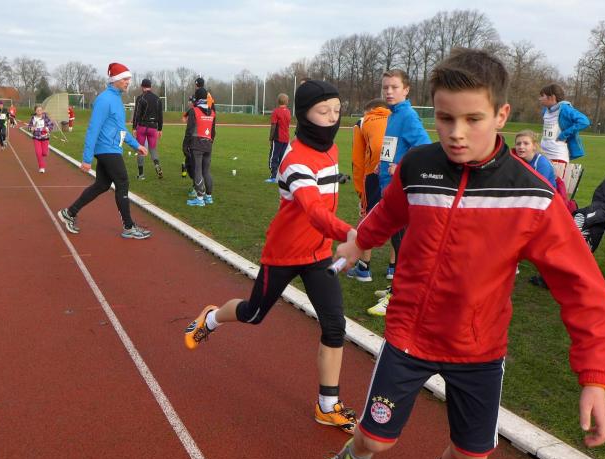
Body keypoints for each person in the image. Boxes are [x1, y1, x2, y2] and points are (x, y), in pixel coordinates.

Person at [315, 49, 605, 459]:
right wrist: (358, 242)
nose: (456, 132)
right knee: (374, 438)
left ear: (501, 115)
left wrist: (595, 376)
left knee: (473, 456)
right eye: (445, 118)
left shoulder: (533, 195)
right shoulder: (418, 165)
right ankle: (351, 458)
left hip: (479, 348)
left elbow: (583, 289)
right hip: (410, 335)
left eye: (473, 119)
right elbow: (389, 211)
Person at [183, 80, 358, 435]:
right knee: (253, 314)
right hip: (284, 254)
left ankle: (327, 405)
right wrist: (351, 233)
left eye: (337, 111)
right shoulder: (294, 161)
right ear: (304, 114)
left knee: (334, 326)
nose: (332, 118)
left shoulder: (332, 149)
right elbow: (313, 211)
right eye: (323, 111)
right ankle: (211, 317)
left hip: (319, 254)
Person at [56, 62, 151, 240]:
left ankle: (69, 212)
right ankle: (129, 227)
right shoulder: (104, 100)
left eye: (129, 79)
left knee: (102, 185)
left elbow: (120, 129)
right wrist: (87, 158)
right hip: (107, 149)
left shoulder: (116, 100)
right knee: (122, 182)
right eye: (125, 79)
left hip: (112, 148)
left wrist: (136, 145)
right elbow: (93, 128)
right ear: (115, 79)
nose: (128, 82)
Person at [368, 69, 431, 316]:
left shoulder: (407, 116)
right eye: (385, 87)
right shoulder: (393, 115)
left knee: (403, 245)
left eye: (394, 87)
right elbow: (394, 147)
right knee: (397, 240)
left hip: (402, 191)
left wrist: (402, 165)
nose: (388, 92)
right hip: (389, 188)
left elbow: (424, 148)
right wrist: (383, 163)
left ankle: (398, 296)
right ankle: (397, 288)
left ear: (406, 90)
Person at [346, 98, 391, 282]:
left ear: (370, 110)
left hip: (373, 174)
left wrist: (360, 191)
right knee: (399, 221)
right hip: (398, 172)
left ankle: (364, 268)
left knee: (367, 219)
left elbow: (357, 160)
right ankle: (393, 268)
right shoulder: (399, 118)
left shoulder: (363, 122)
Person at [537, 83, 589, 186]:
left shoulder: (565, 109)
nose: (540, 99)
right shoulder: (545, 110)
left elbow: (584, 121)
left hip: (557, 155)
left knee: (555, 187)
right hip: (543, 154)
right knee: (542, 186)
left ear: (552, 97)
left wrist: (564, 134)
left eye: (542, 96)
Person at [183, 88, 216, 206]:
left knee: (198, 170)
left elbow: (189, 130)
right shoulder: (212, 112)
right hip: (208, 144)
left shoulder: (194, 111)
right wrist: (210, 142)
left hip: (196, 144)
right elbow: (213, 132)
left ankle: (200, 199)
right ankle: (209, 197)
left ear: (196, 98)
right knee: (206, 171)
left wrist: (185, 144)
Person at [131, 78, 164, 180]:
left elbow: (137, 114)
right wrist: (160, 129)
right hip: (153, 127)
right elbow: (160, 115)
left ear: (142, 87)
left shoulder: (140, 98)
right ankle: (157, 165)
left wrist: (134, 128)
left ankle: (141, 174)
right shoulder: (157, 99)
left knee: (141, 149)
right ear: (150, 87)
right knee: (153, 149)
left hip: (142, 127)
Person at [266, 93, 291, 183]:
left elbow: (273, 126)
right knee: (282, 158)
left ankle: (273, 177)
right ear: (287, 102)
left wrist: (271, 138)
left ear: (278, 101)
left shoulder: (276, 112)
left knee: (274, 157)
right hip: (286, 138)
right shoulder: (288, 111)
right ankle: (282, 176)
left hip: (278, 138)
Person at [26, 105, 56, 174]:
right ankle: (41, 167)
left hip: (45, 137)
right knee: (38, 153)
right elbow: (29, 127)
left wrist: (47, 128)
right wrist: (31, 128)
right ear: (35, 111)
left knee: (44, 153)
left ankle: (45, 152)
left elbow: (51, 125)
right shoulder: (33, 118)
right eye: (38, 110)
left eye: (40, 110)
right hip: (36, 137)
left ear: (42, 111)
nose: (39, 111)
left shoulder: (45, 117)